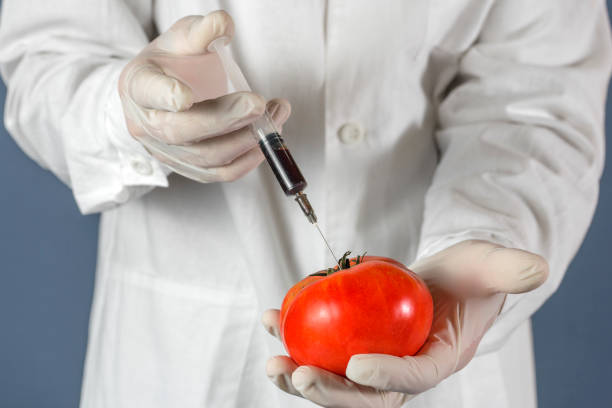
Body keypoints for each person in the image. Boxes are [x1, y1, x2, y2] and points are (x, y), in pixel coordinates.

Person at [0, 1, 610, 407]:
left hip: (447, 356)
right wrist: (127, 114)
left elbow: (537, 93)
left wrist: (487, 231)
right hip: (181, 358)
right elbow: (49, 53)